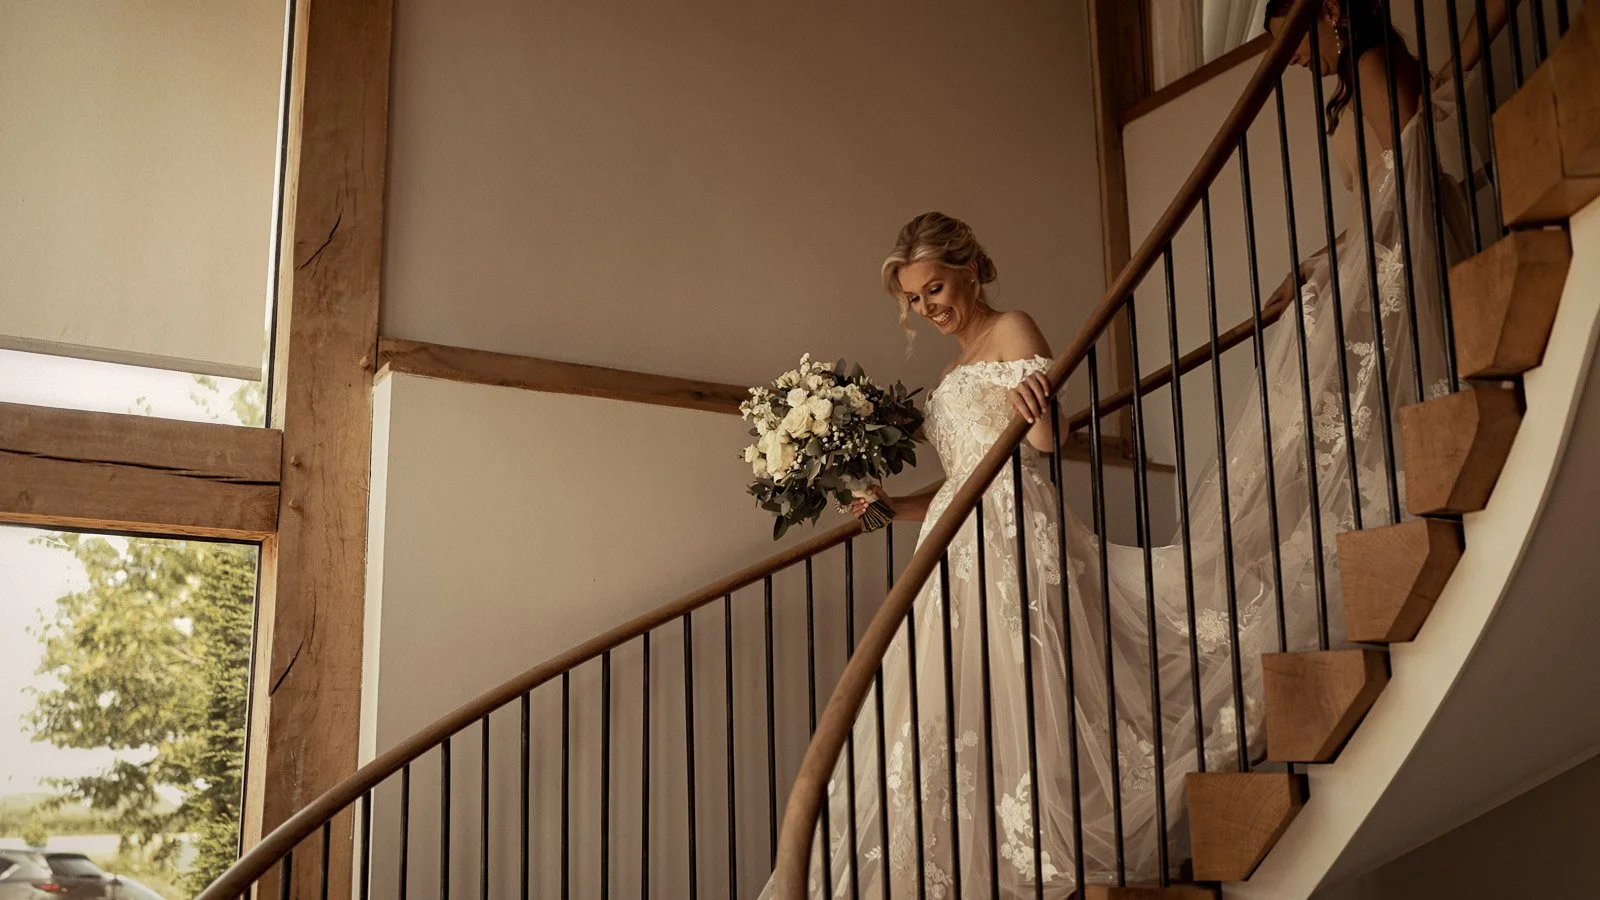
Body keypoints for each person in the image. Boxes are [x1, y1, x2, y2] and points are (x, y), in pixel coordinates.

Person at [768, 0, 1477, 892]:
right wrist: (888, 507)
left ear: (970, 269)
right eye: (914, 299)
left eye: (936, 286)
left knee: (1033, 705)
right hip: (947, 546)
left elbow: (1047, 442)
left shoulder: (1014, 325)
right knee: (947, 722)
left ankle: (1051, 862)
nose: (929, 306)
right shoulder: (944, 379)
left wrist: (1040, 418)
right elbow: (959, 483)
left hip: (1011, 545)